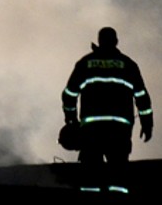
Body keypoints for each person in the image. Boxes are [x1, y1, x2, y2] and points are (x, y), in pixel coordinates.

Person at [61, 27, 153, 193]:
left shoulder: (85, 63)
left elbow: (70, 94)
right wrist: (147, 124)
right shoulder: (128, 65)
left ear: (99, 41)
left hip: (91, 128)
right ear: (116, 41)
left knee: (90, 171)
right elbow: (141, 96)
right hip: (119, 128)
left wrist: (71, 118)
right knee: (118, 170)